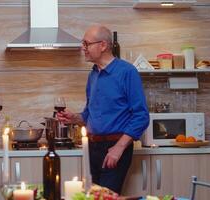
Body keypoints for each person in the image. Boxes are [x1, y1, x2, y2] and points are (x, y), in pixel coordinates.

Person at [57, 25, 149, 194]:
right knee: (92, 197)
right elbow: (89, 114)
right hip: (92, 148)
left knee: (105, 197)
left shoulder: (127, 72)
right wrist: (75, 118)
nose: (82, 48)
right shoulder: (93, 75)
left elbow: (141, 116)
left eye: (86, 44)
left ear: (103, 45)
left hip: (114, 147)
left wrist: (119, 148)